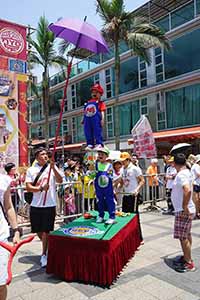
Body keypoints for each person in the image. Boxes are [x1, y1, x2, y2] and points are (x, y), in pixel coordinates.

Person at [25, 147, 62, 268]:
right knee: (38, 230)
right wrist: (40, 189)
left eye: (46, 154)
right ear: (36, 157)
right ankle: (49, 246)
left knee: (46, 230)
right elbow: (29, 187)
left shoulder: (52, 167)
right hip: (36, 204)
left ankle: (44, 254)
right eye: (42, 154)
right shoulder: (31, 170)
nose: (45, 156)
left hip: (49, 204)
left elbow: (60, 180)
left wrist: (53, 168)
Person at [171, 153, 196, 272]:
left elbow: (187, 189)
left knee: (183, 237)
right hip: (186, 209)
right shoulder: (187, 172)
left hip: (183, 210)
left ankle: (189, 262)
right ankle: (187, 257)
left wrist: (184, 206)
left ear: (175, 163)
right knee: (187, 234)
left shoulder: (182, 175)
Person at [0, 173, 20, 300]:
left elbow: (8, 206)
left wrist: (16, 231)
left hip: (1, 238)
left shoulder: (3, 180)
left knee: (1, 284)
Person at [92, 146, 116, 224]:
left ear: (107, 156)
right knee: (100, 201)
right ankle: (101, 216)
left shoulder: (110, 165)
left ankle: (112, 216)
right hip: (98, 187)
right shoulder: (96, 164)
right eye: (99, 154)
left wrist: (110, 175)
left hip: (108, 187)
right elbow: (93, 175)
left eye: (102, 154)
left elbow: (111, 176)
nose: (100, 155)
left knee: (110, 200)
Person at [83, 84, 106, 151]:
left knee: (97, 130)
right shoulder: (88, 103)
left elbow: (102, 111)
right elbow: (85, 112)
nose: (94, 94)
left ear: (100, 94)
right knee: (88, 131)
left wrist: (102, 119)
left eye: (96, 92)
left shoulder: (100, 103)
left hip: (96, 119)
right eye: (93, 92)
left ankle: (99, 143)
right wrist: (83, 119)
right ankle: (90, 144)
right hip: (88, 119)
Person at [191, 154, 200, 218]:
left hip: (197, 184)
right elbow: (199, 174)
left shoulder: (196, 165)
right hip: (195, 184)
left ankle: (197, 212)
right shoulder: (196, 166)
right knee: (196, 199)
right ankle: (196, 213)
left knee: (197, 199)